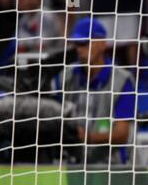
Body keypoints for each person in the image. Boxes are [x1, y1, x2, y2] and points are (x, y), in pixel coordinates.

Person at [51, 17, 136, 164]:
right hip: (71, 162)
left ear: (102, 44)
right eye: (77, 43)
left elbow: (122, 134)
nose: (79, 48)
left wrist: (87, 137)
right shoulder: (65, 77)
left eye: (85, 42)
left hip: (110, 165)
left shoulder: (122, 80)